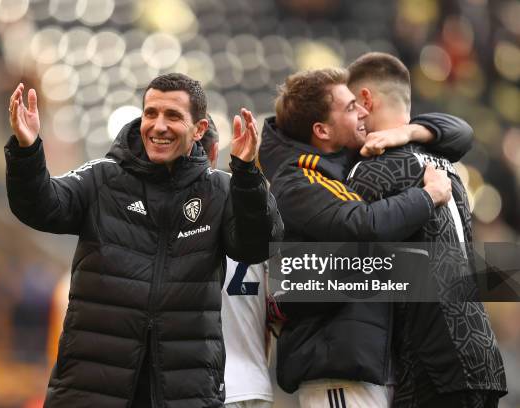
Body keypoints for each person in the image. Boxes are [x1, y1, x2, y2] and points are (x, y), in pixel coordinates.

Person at [5, 73, 283, 407]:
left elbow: (255, 246)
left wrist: (247, 174)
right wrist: (27, 151)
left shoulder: (220, 191)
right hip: (92, 388)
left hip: (183, 391)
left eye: (173, 116)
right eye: (150, 113)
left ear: (199, 130)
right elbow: (39, 206)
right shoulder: (102, 179)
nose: (158, 125)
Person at [259, 67, 475, 408]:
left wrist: (406, 132)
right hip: (334, 365)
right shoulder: (298, 179)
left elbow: (460, 133)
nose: (362, 111)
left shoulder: (346, 161)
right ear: (322, 130)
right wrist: (428, 196)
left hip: (370, 363)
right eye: (349, 108)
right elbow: (363, 224)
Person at [345, 52, 506, 407]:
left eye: (352, 106)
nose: (351, 118)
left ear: (367, 100)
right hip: (483, 357)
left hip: (431, 364)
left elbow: (346, 251)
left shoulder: (371, 170)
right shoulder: (450, 170)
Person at [201, 117, 274, 408]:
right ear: (215, 149)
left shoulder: (166, 210)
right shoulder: (259, 203)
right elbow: (281, 306)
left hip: (196, 387)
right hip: (251, 382)